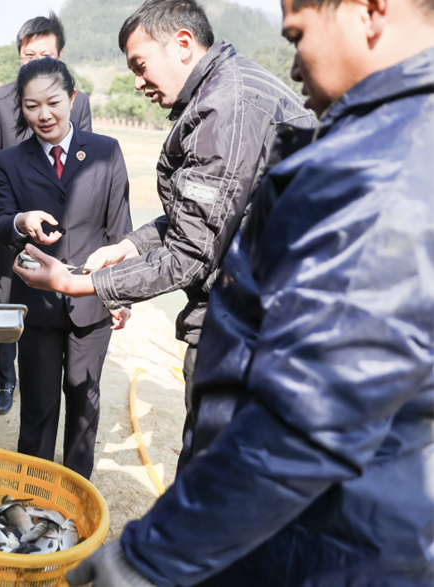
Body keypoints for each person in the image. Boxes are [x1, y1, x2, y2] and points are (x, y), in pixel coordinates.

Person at [64, 0, 434, 583]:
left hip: (344, 539)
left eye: (297, 35)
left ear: (369, 10)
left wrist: (150, 558)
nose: (291, 68)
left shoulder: (381, 169)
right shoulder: (386, 138)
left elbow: (310, 416)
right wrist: (132, 246)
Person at [15, 0, 316, 471]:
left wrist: (82, 284)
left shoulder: (225, 109)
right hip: (262, 312)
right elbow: (206, 216)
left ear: (181, 44)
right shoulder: (230, 90)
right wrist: (129, 245)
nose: (138, 81)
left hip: (253, 325)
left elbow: (192, 253)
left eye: (140, 65)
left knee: (212, 474)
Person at [0, 58, 132, 480]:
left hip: (92, 301)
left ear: (72, 99)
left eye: (53, 102)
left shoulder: (105, 152)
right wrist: (20, 221)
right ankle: (29, 494)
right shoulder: (10, 161)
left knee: (84, 406)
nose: (44, 115)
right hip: (37, 303)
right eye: (32, 106)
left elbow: (119, 228)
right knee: (38, 407)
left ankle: (73, 495)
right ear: (21, 107)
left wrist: (119, 295)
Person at [0, 11, 93, 416]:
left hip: (59, 231)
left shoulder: (78, 101)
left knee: (53, 305)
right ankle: (2, 379)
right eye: (28, 55)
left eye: (44, 54)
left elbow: (87, 166)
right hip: (11, 224)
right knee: (6, 299)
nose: (35, 61)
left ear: (60, 55)